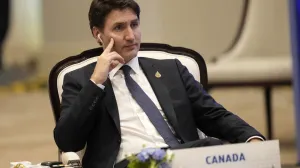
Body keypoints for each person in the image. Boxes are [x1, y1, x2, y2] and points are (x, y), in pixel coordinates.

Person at [54, 0, 265, 167]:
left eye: (134, 25)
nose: (130, 36)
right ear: (97, 34)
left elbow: (214, 115)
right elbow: (67, 141)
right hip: (130, 163)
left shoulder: (171, 70)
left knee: (213, 148)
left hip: (186, 160)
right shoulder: (81, 80)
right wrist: (96, 82)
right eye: (119, 28)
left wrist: (251, 139)